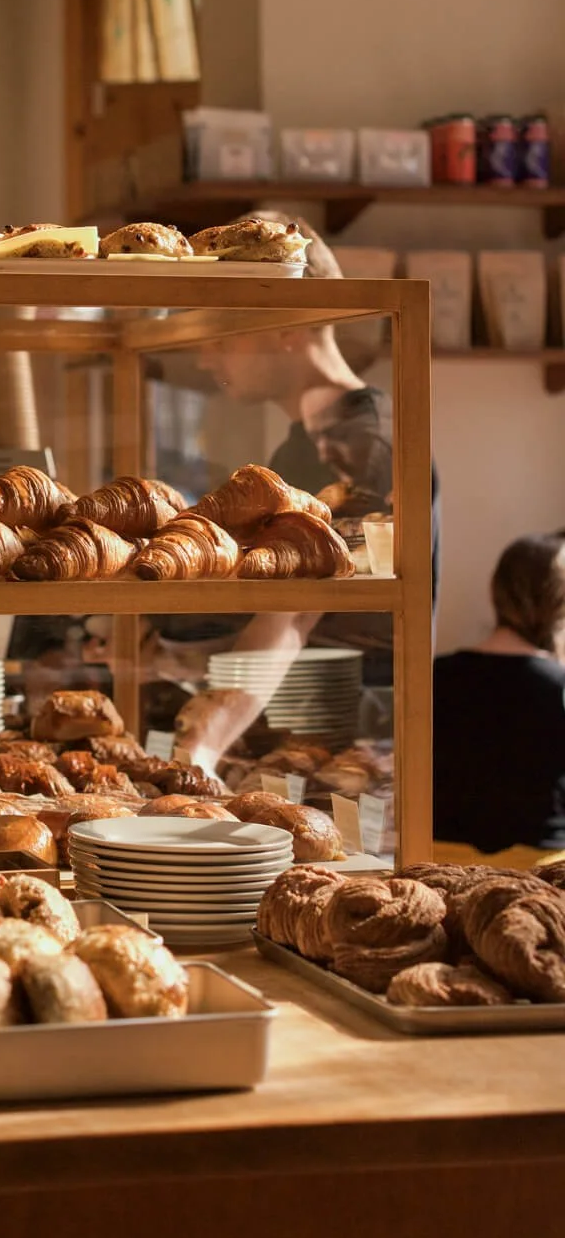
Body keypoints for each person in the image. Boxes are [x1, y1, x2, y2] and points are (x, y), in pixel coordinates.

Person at [159, 213, 439, 769]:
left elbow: (293, 616)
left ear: (289, 326)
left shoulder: (366, 446)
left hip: (349, 753)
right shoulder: (302, 447)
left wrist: (204, 745)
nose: (204, 356)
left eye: (223, 333)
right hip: (297, 736)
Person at [433, 535, 565, 859]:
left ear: (498, 593)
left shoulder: (437, 674)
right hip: (543, 873)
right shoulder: (557, 686)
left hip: (445, 865)